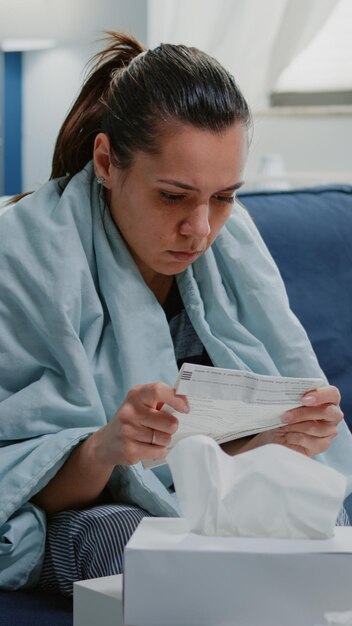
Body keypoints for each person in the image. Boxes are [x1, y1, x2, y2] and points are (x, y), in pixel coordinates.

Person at [0, 31, 350, 597]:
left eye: (224, 196)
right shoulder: (21, 256)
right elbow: (18, 485)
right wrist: (105, 446)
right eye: (173, 196)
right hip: (85, 511)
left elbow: (223, 460)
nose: (201, 229)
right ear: (107, 161)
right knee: (125, 542)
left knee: (321, 517)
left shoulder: (236, 251)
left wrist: (286, 438)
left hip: (204, 497)